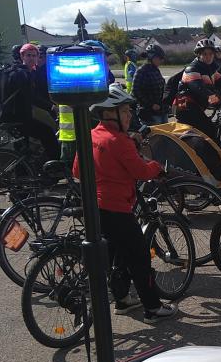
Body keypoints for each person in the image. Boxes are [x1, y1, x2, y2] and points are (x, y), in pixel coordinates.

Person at [73, 86, 179, 324]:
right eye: (124, 111)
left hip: (94, 207)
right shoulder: (118, 141)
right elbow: (141, 171)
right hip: (116, 207)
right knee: (139, 257)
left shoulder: (91, 135)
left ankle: (122, 300)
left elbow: (77, 170)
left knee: (118, 253)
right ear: (110, 114)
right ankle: (152, 308)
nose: (129, 115)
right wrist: (157, 167)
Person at [176, 39, 221, 141]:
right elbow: (202, 92)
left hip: (198, 107)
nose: (208, 57)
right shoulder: (192, 69)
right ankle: (207, 156)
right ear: (199, 55)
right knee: (210, 132)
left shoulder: (210, 70)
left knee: (213, 130)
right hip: (186, 109)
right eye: (205, 54)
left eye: (211, 54)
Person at [1, 43, 59, 162]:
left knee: (24, 147)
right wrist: (52, 106)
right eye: (28, 55)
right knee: (47, 132)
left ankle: (24, 174)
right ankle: (57, 166)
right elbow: (31, 97)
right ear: (22, 56)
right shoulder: (21, 74)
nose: (32, 58)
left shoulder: (22, 71)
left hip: (17, 114)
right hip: (17, 117)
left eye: (34, 55)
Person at [133, 44, 168, 126]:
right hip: (149, 113)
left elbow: (161, 87)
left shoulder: (155, 70)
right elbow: (135, 91)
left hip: (161, 111)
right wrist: (151, 105)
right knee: (154, 137)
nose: (161, 61)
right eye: (159, 58)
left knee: (166, 136)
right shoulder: (142, 71)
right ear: (151, 57)